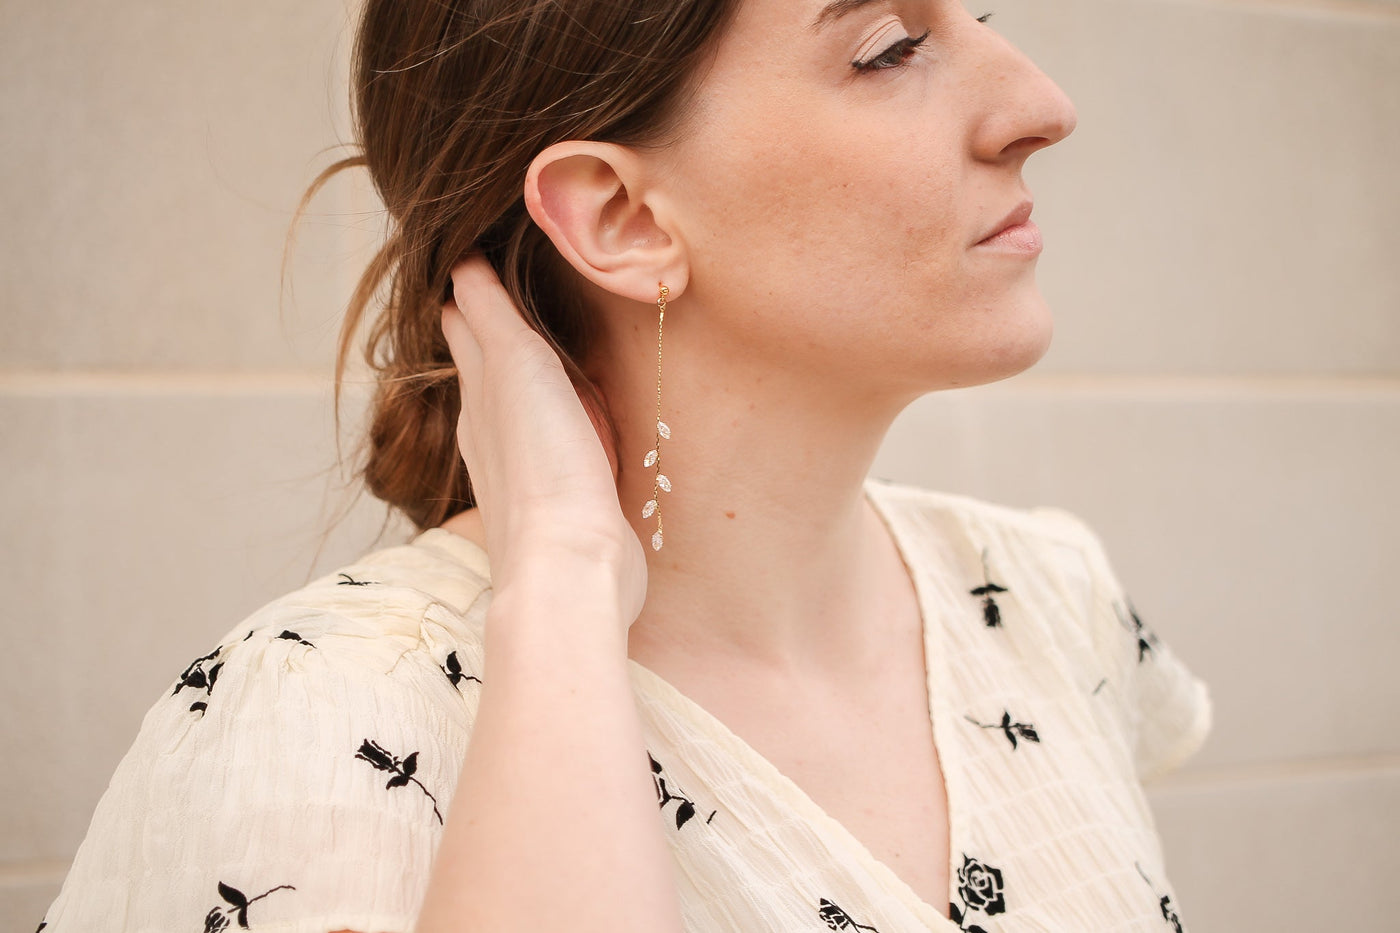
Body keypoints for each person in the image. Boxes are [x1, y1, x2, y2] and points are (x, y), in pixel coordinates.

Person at [36, 1, 1214, 931]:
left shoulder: (1046, 599)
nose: (1039, 106)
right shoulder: (313, 719)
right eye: (888, 48)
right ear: (619, 218)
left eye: (976, 19)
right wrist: (561, 583)